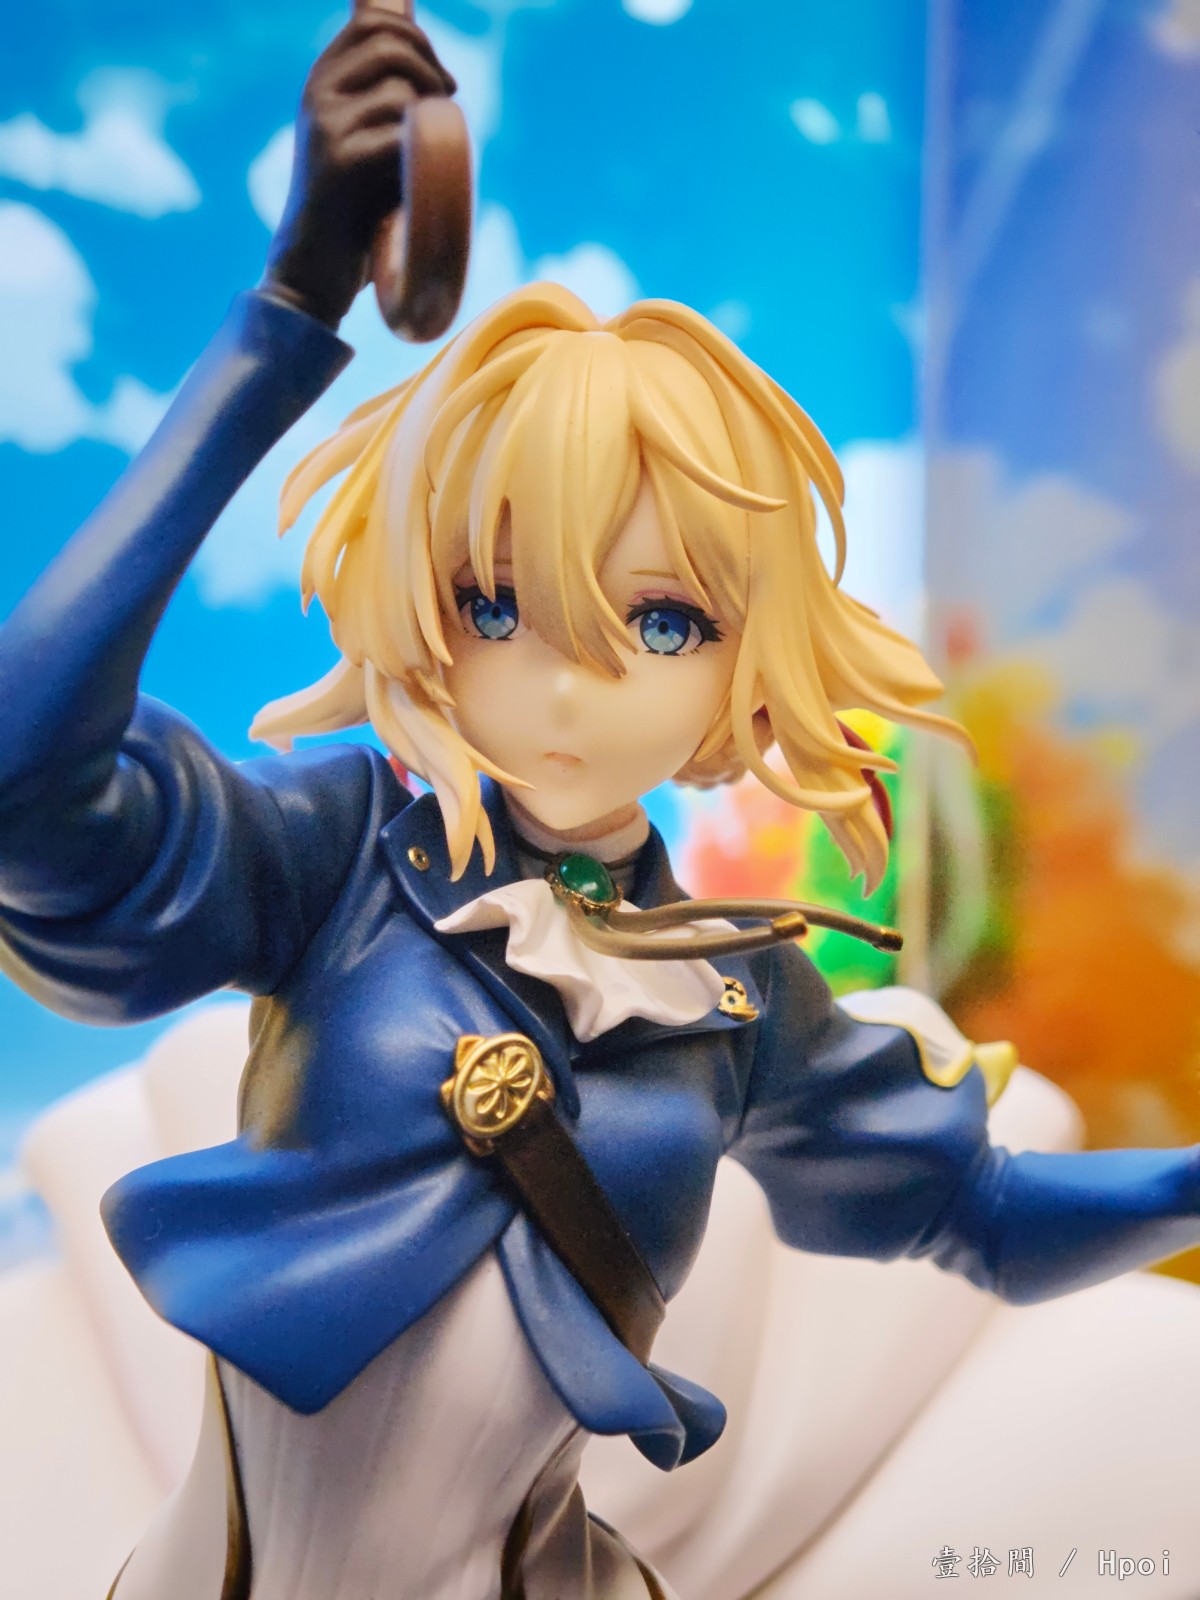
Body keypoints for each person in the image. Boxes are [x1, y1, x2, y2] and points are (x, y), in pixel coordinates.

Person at [2, 12, 1200, 1600]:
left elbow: (976, 1212)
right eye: (497, 602)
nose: (570, 683)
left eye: (663, 621)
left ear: (746, 659)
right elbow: (27, 776)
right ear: (423, 605)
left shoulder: (733, 997)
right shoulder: (335, 860)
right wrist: (288, 313)